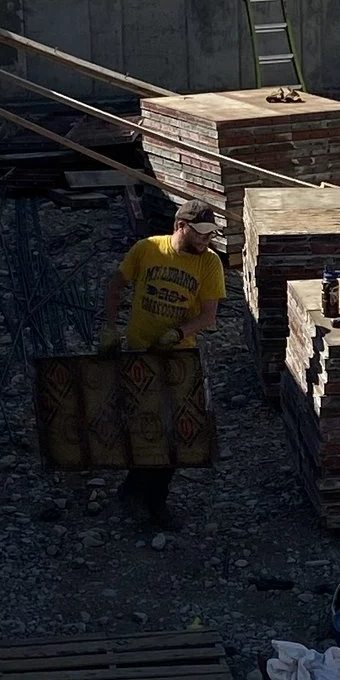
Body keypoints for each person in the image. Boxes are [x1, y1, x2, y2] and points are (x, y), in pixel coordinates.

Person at [97, 199, 224, 524]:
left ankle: (155, 502)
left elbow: (208, 316)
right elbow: (116, 288)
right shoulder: (147, 249)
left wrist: (178, 333)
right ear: (180, 226)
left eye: (210, 235)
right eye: (199, 234)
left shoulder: (209, 264)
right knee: (138, 425)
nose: (205, 241)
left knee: (174, 434)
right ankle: (133, 491)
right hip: (139, 352)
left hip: (177, 358)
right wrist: (109, 329)